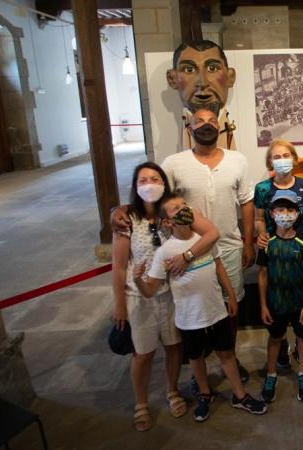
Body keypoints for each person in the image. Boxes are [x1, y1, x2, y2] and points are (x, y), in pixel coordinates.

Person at [112, 108, 254, 385]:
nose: (206, 125)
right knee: (190, 311)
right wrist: (118, 208)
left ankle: (229, 353)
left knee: (230, 307)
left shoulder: (238, 160)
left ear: (221, 127)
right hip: (186, 250)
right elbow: (153, 190)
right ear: (189, 128)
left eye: (212, 121)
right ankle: (197, 363)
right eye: (199, 121)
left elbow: (246, 202)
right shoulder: (174, 162)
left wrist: (248, 242)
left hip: (228, 244)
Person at [133, 193, 267, 421]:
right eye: (176, 209)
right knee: (196, 357)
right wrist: (138, 280)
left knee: (226, 352)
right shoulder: (165, 252)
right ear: (166, 222)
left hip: (217, 311)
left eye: (184, 204)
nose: (184, 208)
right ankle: (205, 394)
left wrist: (231, 295)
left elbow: (219, 266)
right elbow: (150, 290)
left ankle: (240, 395)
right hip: (189, 317)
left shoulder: (203, 239)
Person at [111, 162, 220, 431]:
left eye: (155, 178)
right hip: (140, 296)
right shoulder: (126, 220)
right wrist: (119, 304)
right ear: (136, 187)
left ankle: (172, 391)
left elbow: (210, 232)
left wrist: (188, 256)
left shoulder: (175, 212)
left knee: (174, 347)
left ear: (164, 183)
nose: (150, 184)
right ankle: (141, 403)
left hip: (172, 293)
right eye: (143, 180)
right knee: (143, 354)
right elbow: (118, 266)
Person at [254, 139, 303, 369]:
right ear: (270, 161)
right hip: (273, 248)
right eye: (276, 157)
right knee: (276, 298)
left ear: (294, 158)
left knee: (300, 296)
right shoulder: (262, 189)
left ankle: (302, 347)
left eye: (286, 155)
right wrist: (261, 236)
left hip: (299, 249)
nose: (282, 160)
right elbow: (259, 219)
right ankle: (281, 345)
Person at [257, 190, 303, 403]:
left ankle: (302, 373)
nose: (285, 214)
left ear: (297, 213)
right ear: (272, 213)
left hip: (299, 300)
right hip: (275, 301)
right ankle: (271, 374)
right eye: (280, 209)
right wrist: (264, 305)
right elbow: (263, 274)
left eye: (290, 209)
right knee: (275, 338)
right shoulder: (267, 243)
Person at [166, 39, 237, 149]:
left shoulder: (239, 162)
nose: (202, 83)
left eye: (212, 68)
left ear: (230, 77)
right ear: (172, 79)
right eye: (189, 69)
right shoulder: (173, 164)